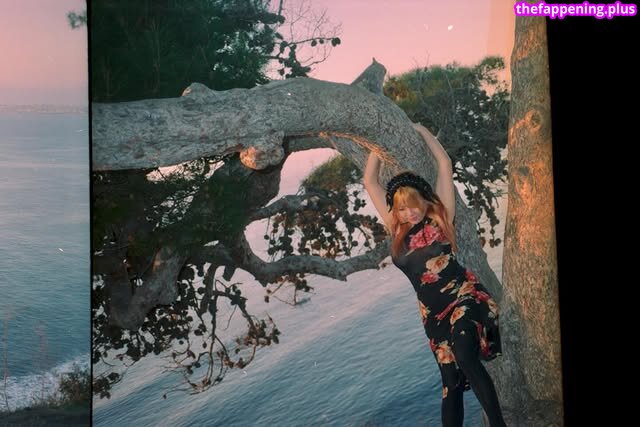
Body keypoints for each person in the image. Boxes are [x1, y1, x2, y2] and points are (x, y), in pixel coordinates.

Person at [363, 122, 507, 427]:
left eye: (414, 205)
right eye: (402, 209)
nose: (410, 213)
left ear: (424, 200)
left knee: (465, 357)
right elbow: (369, 181)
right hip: (433, 316)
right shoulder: (396, 228)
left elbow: (444, 164)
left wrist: (422, 131)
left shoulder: (441, 217)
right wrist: (375, 144)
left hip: (463, 298)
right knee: (450, 385)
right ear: (395, 210)